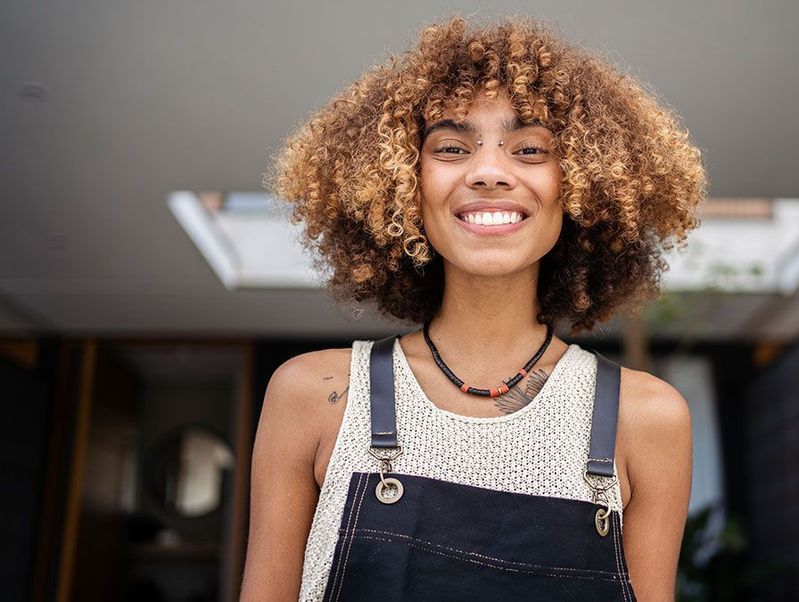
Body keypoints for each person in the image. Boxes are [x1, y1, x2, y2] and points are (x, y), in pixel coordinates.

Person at [241, 15, 706, 602]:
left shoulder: (647, 419)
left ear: (583, 186)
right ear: (404, 182)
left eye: (531, 149)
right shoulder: (314, 395)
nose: (489, 172)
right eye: (452, 147)